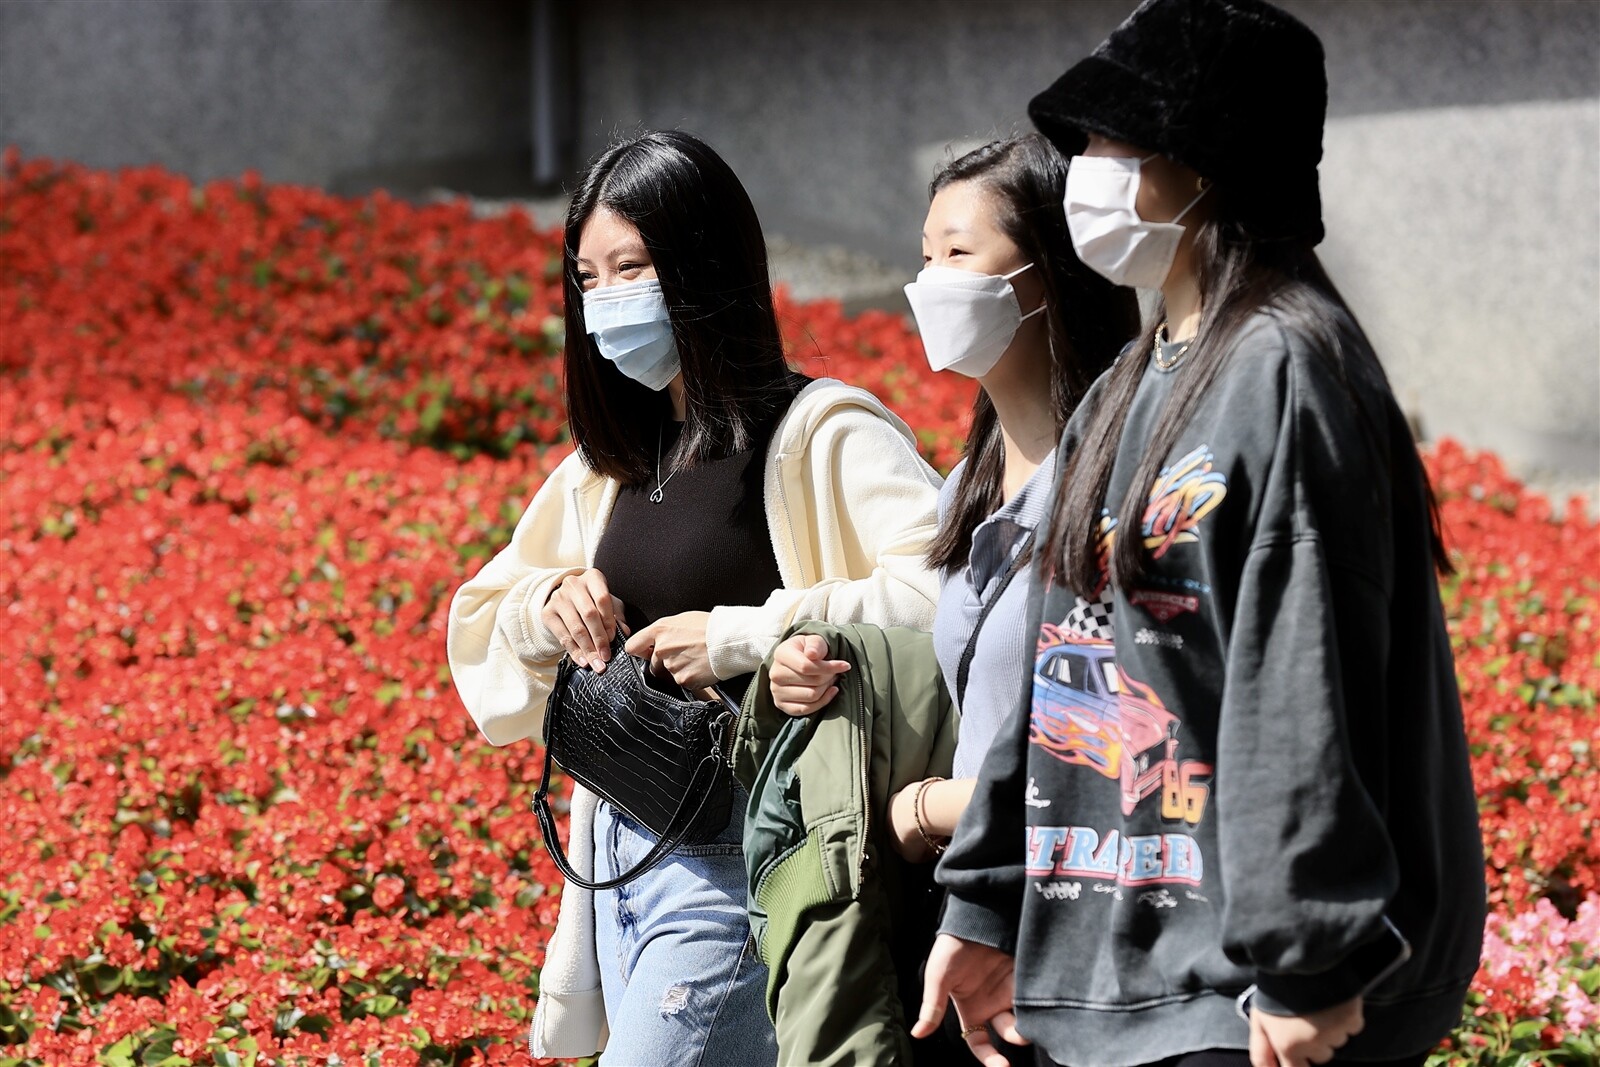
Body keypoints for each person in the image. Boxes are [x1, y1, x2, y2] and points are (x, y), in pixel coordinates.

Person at [914, 3, 1486, 1067]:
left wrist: (1307, 957)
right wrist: (988, 900)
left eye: (1114, 141)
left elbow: (1298, 678)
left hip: (1244, 1003)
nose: (1084, 168)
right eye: (1081, 140)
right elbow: (1060, 669)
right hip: (1114, 975)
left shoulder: (1284, 369)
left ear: (1207, 160)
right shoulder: (1128, 387)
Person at [446, 130, 943, 1066]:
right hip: (620, 861)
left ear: (704, 265)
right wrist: (551, 596)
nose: (606, 299)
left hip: (742, 867)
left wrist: (741, 637)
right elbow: (487, 615)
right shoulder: (617, 462)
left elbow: (940, 593)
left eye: (631, 266)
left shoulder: (820, 432)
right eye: (588, 277)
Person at [765, 134, 1139, 1064]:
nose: (927, 281)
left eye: (956, 254)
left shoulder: (1118, 484)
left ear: (1046, 275)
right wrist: (812, 665)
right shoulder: (971, 476)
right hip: (967, 917)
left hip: (1074, 934)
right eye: (923, 254)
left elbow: (1111, 751)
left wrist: (929, 808)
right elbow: (954, 673)